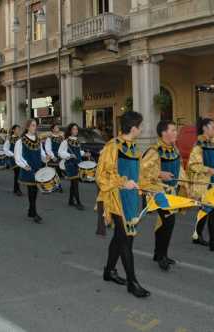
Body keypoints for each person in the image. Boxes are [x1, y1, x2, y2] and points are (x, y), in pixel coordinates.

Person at [97, 111, 150, 298]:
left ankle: (109, 271)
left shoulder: (135, 147)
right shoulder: (112, 146)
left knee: (121, 238)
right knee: (126, 240)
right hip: (116, 199)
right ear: (133, 127)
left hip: (132, 200)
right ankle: (132, 282)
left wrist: (151, 187)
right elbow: (101, 176)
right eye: (141, 126)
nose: (142, 129)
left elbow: (140, 175)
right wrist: (122, 182)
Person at [140, 120, 189, 271]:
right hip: (158, 192)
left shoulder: (174, 149)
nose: (176, 133)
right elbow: (142, 170)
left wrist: (187, 185)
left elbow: (179, 167)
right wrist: (160, 174)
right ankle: (161, 256)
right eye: (173, 130)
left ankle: (160, 254)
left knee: (165, 223)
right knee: (168, 222)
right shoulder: (154, 151)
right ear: (163, 133)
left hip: (172, 192)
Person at [188, 118, 214, 253]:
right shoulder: (198, 146)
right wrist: (207, 169)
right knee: (212, 210)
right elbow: (193, 165)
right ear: (204, 129)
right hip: (203, 184)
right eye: (213, 127)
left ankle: (197, 235)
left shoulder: (212, 145)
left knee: (206, 211)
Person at [15, 119, 47, 223]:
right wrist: (24, 165)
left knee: (35, 190)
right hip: (28, 168)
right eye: (33, 125)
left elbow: (41, 153)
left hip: (37, 168)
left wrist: (45, 157)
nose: (35, 127)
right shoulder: (21, 141)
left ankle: (31, 210)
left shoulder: (38, 140)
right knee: (32, 190)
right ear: (28, 127)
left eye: (35, 125)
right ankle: (34, 213)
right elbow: (18, 156)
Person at [59, 123, 90, 210]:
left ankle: (70, 201)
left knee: (73, 183)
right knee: (75, 183)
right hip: (70, 164)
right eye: (74, 129)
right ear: (70, 130)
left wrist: (84, 153)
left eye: (76, 129)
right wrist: (69, 155)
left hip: (77, 163)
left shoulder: (77, 140)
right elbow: (60, 152)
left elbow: (78, 152)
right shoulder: (65, 141)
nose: (75, 131)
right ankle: (78, 202)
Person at [44, 123, 64, 192]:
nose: (57, 128)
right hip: (54, 156)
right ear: (52, 129)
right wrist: (53, 157)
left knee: (58, 172)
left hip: (60, 156)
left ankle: (57, 185)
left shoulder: (61, 137)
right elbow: (48, 149)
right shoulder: (49, 138)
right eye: (56, 127)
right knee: (53, 172)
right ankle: (56, 186)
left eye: (58, 127)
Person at [4, 125, 23, 196]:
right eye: (17, 129)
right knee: (17, 173)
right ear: (13, 130)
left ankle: (16, 188)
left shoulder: (21, 139)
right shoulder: (9, 139)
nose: (18, 131)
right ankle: (17, 189)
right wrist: (13, 155)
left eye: (19, 129)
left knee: (18, 174)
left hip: (21, 158)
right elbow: (5, 149)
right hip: (14, 159)